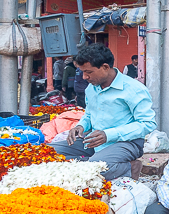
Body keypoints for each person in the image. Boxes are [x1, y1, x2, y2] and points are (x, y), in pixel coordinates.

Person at [49, 44, 156, 180]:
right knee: (49, 152)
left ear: (105, 67)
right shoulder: (91, 88)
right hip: (94, 140)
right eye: (82, 72)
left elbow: (147, 123)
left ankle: (130, 167)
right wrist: (81, 126)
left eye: (88, 72)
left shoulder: (134, 89)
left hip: (126, 142)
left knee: (95, 169)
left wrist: (109, 134)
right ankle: (92, 162)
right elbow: (89, 114)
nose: (84, 77)